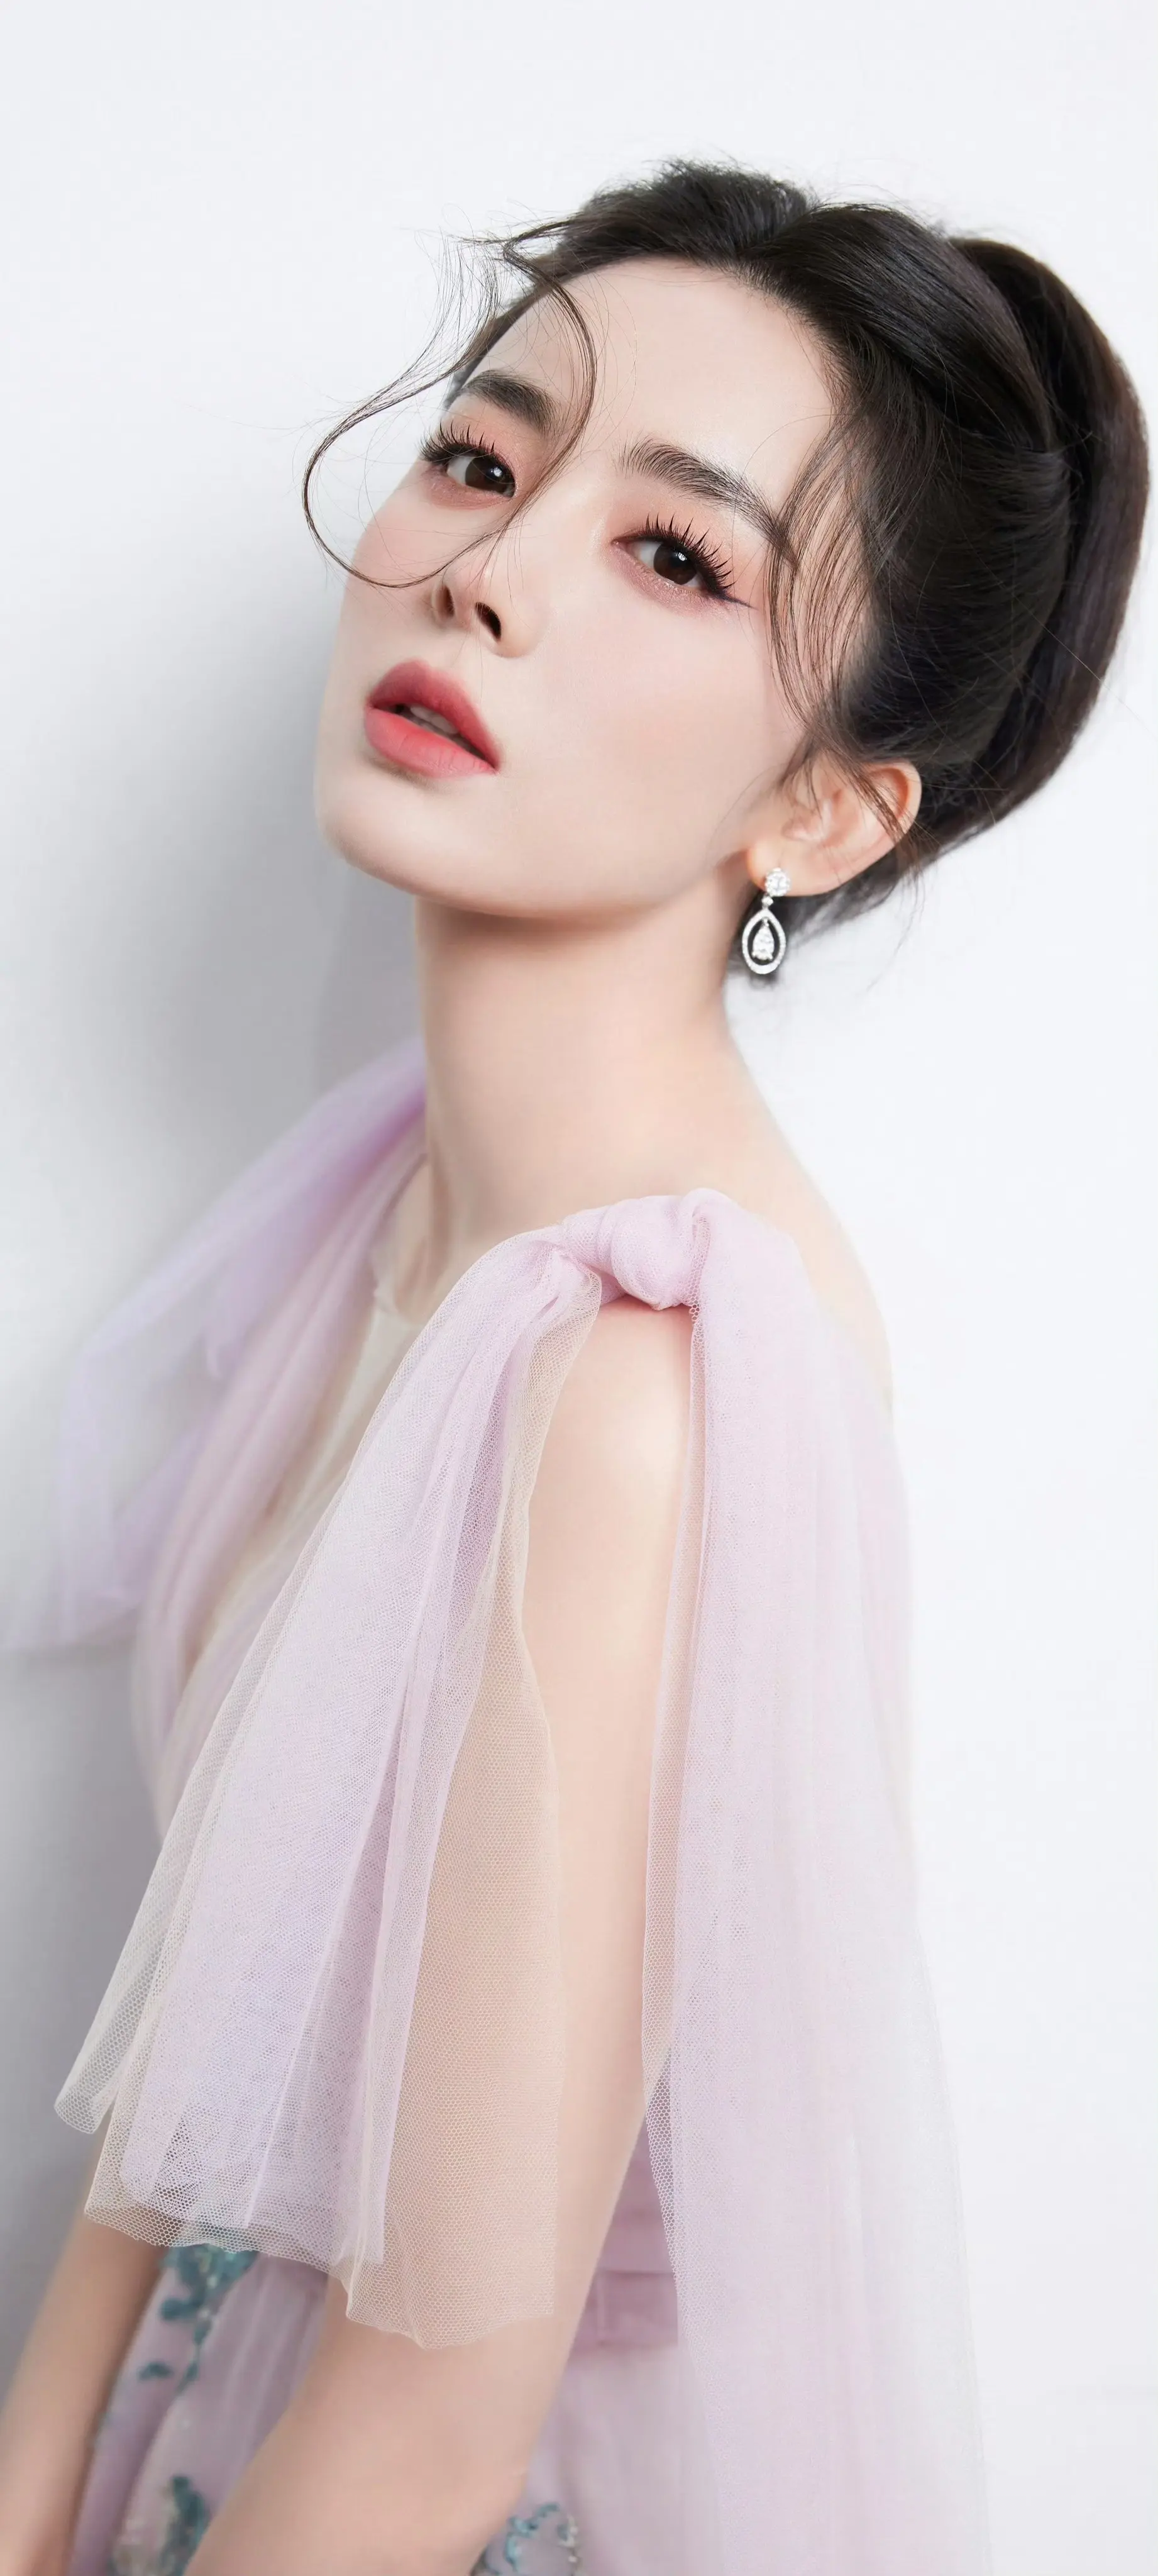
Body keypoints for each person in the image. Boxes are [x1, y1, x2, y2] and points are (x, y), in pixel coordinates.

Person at [0, 160, 1147, 2576]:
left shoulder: (634, 1386)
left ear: (825, 809)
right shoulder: (393, 1208)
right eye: (484, 456)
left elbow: (430, 2441)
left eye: (677, 557)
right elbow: (199, 2016)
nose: (486, 570)